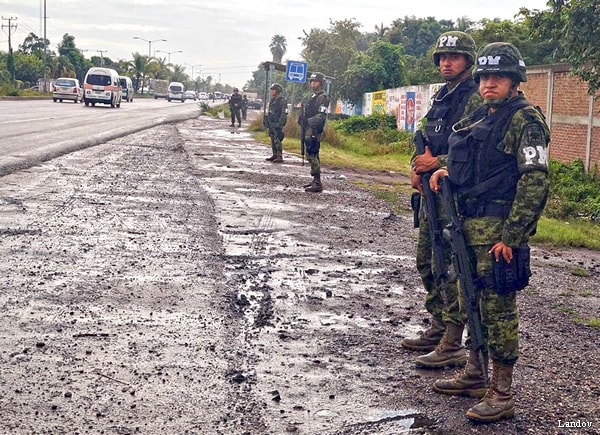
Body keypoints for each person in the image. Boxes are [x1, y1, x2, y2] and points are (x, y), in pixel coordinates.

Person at [429, 42, 550, 423]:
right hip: (469, 230)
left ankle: (502, 392)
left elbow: (534, 182)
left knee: (499, 310)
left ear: (514, 81)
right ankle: (474, 373)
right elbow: (476, 161)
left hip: (499, 234)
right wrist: (444, 167)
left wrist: (512, 237)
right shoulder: (483, 117)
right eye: (484, 77)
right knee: (470, 302)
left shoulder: (525, 121)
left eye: (498, 77)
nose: (489, 83)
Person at [401, 31, 482, 370]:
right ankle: (437, 326)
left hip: (457, 194)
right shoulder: (441, 97)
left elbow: (478, 149)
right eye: (443, 57)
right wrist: (417, 168)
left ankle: (453, 338)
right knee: (428, 261)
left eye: (455, 57)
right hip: (433, 194)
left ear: (468, 61)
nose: (447, 62)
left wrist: (439, 163)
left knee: (450, 266)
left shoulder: (475, 97)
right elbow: (426, 138)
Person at [298, 72, 330, 193]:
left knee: (312, 152)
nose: (312, 83)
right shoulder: (313, 96)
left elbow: (321, 116)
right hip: (308, 128)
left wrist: (308, 121)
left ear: (321, 83)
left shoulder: (323, 97)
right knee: (311, 152)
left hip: (314, 129)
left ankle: (317, 181)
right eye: (311, 81)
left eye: (315, 81)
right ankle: (315, 180)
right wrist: (302, 119)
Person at [264, 83, 288, 163]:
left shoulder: (282, 100)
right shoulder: (272, 100)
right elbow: (270, 111)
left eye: (273, 90)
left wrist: (280, 124)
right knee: (272, 139)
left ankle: (279, 156)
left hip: (277, 123)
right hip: (271, 122)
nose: (272, 91)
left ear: (277, 91)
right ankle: (274, 154)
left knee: (277, 139)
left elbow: (284, 113)